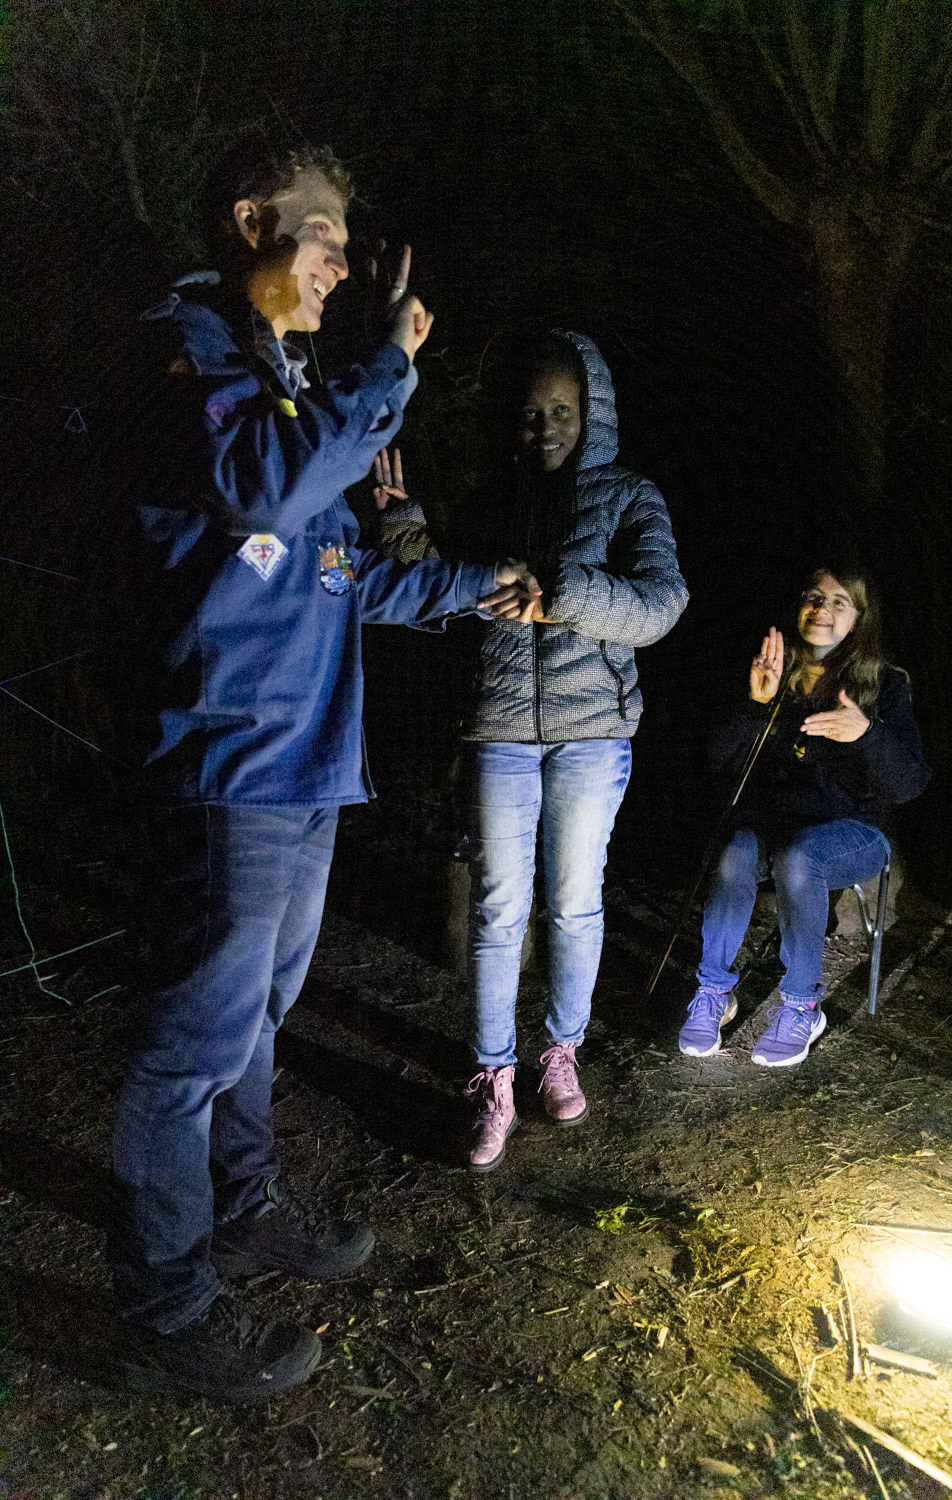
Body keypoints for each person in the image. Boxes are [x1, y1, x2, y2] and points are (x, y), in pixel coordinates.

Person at [109, 137, 539, 1403]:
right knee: (189, 1048)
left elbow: (340, 574)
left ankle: (242, 1206)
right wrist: (384, 368)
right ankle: (164, 1305)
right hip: (228, 758)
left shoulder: (288, 377)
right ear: (251, 220)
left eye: (351, 249)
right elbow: (261, 494)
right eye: (323, 238)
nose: (341, 269)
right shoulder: (187, 350)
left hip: (305, 761)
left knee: (257, 1018)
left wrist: (476, 585)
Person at [373, 330, 688, 1170]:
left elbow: (662, 603)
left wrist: (566, 597)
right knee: (497, 906)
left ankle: (560, 1051)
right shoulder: (490, 504)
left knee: (575, 902)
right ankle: (493, 1076)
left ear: (592, 413)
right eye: (529, 413)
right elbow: (442, 596)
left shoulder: (630, 496)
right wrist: (404, 528)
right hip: (500, 729)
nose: (544, 426)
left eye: (561, 410)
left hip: (593, 732)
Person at [678, 565, 930, 1068]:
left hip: (856, 833)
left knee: (800, 857)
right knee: (736, 851)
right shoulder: (773, 671)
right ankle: (713, 993)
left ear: (859, 619)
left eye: (839, 602)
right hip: (776, 825)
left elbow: (909, 785)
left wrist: (868, 735)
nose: (822, 610)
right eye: (814, 597)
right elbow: (717, 761)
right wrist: (756, 704)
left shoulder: (884, 684)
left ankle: (802, 1006)